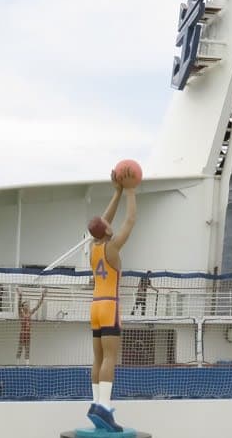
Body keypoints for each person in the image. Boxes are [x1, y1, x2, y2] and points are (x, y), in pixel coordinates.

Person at [86, 171, 138, 432]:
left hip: (95, 305)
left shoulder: (93, 248)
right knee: (110, 358)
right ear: (106, 229)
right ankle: (105, 408)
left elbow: (101, 222)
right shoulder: (113, 247)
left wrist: (115, 192)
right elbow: (130, 219)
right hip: (110, 305)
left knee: (97, 358)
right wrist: (129, 190)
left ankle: (96, 404)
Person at [15, 287, 46, 364]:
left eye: (27, 305)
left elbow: (37, 306)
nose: (27, 306)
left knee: (27, 349)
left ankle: (27, 365)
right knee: (20, 349)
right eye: (25, 305)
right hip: (22, 333)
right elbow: (19, 305)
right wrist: (20, 295)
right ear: (23, 307)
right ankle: (17, 364)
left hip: (28, 334)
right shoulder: (21, 313)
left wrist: (42, 296)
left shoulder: (30, 313)